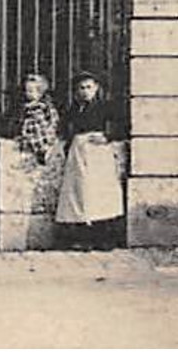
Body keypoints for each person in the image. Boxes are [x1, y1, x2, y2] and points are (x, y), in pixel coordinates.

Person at [55, 70, 124, 250]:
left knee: (100, 192)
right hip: (78, 151)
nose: (85, 91)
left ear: (96, 88)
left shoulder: (105, 106)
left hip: (98, 151)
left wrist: (108, 137)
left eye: (89, 87)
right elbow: (62, 126)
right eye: (81, 88)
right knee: (80, 193)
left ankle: (104, 239)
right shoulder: (74, 108)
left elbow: (123, 124)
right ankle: (83, 238)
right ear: (76, 91)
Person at [8, 72, 61, 167]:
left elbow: (51, 122)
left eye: (32, 91)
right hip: (30, 137)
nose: (28, 94)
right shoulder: (25, 107)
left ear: (40, 93)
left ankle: (43, 151)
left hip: (41, 135)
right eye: (27, 90)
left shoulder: (43, 107)